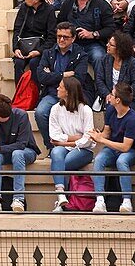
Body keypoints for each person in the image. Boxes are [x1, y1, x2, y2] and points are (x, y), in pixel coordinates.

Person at [36, 21, 91, 152]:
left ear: (73, 38)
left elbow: (78, 78)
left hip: (72, 96)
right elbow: (41, 77)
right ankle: (51, 147)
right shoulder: (48, 53)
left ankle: (76, 144)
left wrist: (53, 75)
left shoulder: (80, 55)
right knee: (40, 112)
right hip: (52, 94)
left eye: (65, 37)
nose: (61, 39)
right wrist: (64, 75)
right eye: (59, 36)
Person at [90, 82, 135, 213]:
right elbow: (106, 133)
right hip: (112, 149)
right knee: (99, 159)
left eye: (112, 94)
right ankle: (100, 200)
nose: (109, 97)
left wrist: (102, 140)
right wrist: (97, 136)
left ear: (118, 100)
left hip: (130, 151)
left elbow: (125, 147)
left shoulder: (132, 118)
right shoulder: (111, 110)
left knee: (121, 161)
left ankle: (127, 201)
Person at [0, 93, 41, 213]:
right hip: (6, 152)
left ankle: (18, 199)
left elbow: (21, 144)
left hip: (27, 152)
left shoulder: (21, 116)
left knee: (17, 153)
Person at [48, 76, 95, 210]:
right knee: (56, 152)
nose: (57, 89)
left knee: (64, 163)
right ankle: (61, 195)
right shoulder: (55, 109)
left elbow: (87, 140)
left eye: (60, 87)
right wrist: (74, 138)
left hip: (84, 151)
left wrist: (65, 143)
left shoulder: (86, 110)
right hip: (66, 148)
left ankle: (63, 202)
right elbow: (54, 136)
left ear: (68, 91)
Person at [56, 0, 115, 67]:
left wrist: (92, 34)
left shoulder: (102, 5)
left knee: (99, 57)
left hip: (93, 44)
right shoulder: (68, 2)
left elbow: (110, 28)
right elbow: (59, 23)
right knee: (55, 55)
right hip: (70, 43)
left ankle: (100, 82)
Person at [12, 0, 57, 84]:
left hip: (40, 47)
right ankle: (20, 94)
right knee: (18, 63)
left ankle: (35, 93)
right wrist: (16, 48)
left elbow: (52, 36)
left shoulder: (49, 11)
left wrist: (39, 51)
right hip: (24, 46)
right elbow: (17, 29)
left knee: (34, 63)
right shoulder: (24, 8)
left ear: (36, 0)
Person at [94, 32, 135, 112]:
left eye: (111, 45)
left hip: (129, 100)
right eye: (108, 43)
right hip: (111, 98)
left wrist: (120, 96)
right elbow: (99, 80)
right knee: (111, 107)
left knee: (117, 108)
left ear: (120, 49)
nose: (107, 45)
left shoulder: (132, 63)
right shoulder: (104, 60)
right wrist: (107, 94)